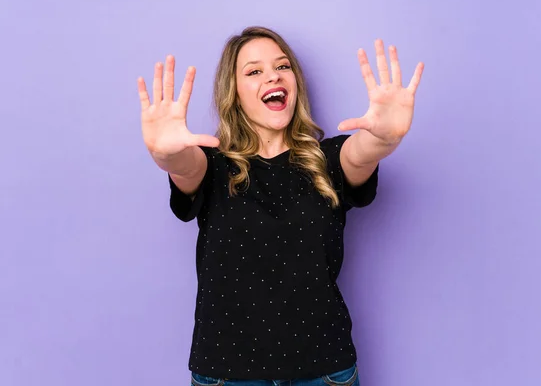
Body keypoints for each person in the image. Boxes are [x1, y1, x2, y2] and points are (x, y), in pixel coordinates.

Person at [137, 26, 424, 386]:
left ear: (294, 82)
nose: (272, 75)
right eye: (254, 71)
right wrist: (167, 156)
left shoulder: (329, 159)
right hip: (227, 375)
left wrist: (384, 139)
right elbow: (185, 166)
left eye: (282, 66)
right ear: (235, 94)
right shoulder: (211, 165)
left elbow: (362, 152)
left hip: (325, 373)